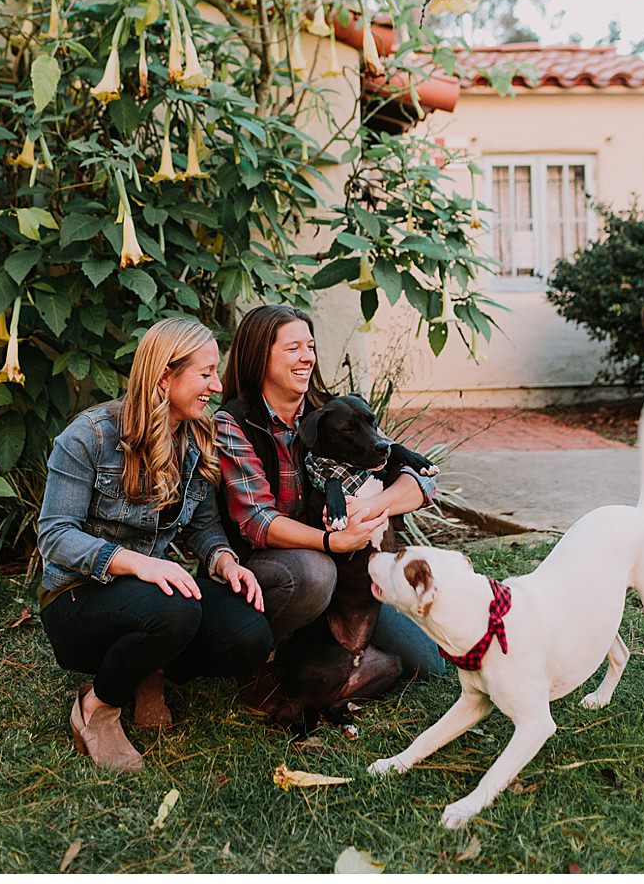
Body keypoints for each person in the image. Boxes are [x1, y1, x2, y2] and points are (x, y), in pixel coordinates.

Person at [37, 317, 272, 773]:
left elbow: (202, 527)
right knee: (175, 610)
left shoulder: (194, 438)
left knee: (249, 634)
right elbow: (54, 535)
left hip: (148, 597)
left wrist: (224, 562)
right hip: (76, 596)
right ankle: (97, 707)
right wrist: (136, 564)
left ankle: (150, 671)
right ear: (165, 376)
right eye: (205, 373)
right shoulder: (90, 436)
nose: (216, 385)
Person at [214, 303, 445, 678]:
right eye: (293, 349)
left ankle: (328, 642)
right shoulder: (235, 422)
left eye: (310, 346)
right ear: (260, 357)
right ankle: (271, 656)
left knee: (427, 665)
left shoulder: (333, 411)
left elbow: (421, 480)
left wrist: (372, 507)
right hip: (274, 567)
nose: (307, 358)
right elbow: (257, 522)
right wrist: (331, 542)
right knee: (314, 574)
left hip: (345, 571)